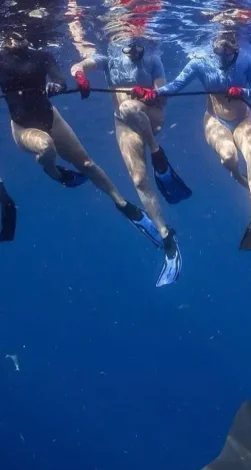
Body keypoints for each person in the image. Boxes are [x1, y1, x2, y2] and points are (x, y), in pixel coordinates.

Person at [0, 30, 171, 284]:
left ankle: (122, 203)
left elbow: (59, 77)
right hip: (25, 129)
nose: (18, 38)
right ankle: (55, 173)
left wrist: (58, 84)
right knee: (46, 147)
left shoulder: (42, 55)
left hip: (51, 118)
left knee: (87, 163)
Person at [70, 37, 191, 286]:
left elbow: (163, 97)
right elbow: (80, 64)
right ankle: (166, 235)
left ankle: (157, 153)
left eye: (138, 46)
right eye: (128, 46)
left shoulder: (153, 60)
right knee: (138, 179)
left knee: (127, 107)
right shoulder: (110, 60)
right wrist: (80, 75)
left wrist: (149, 95)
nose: (134, 51)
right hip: (123, 122)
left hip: (151, 115)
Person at [137, 32, 251, 250]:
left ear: (235, 50)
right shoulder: (200, 62)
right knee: (229, 156)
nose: (223, 58)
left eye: (229, 53)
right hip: (215, 121)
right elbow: (175, 86)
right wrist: (153, 93)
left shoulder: (246, 59)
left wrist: (244, 91)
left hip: (244, 119)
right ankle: (240, 178)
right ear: (213, 49)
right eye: (220, 52)